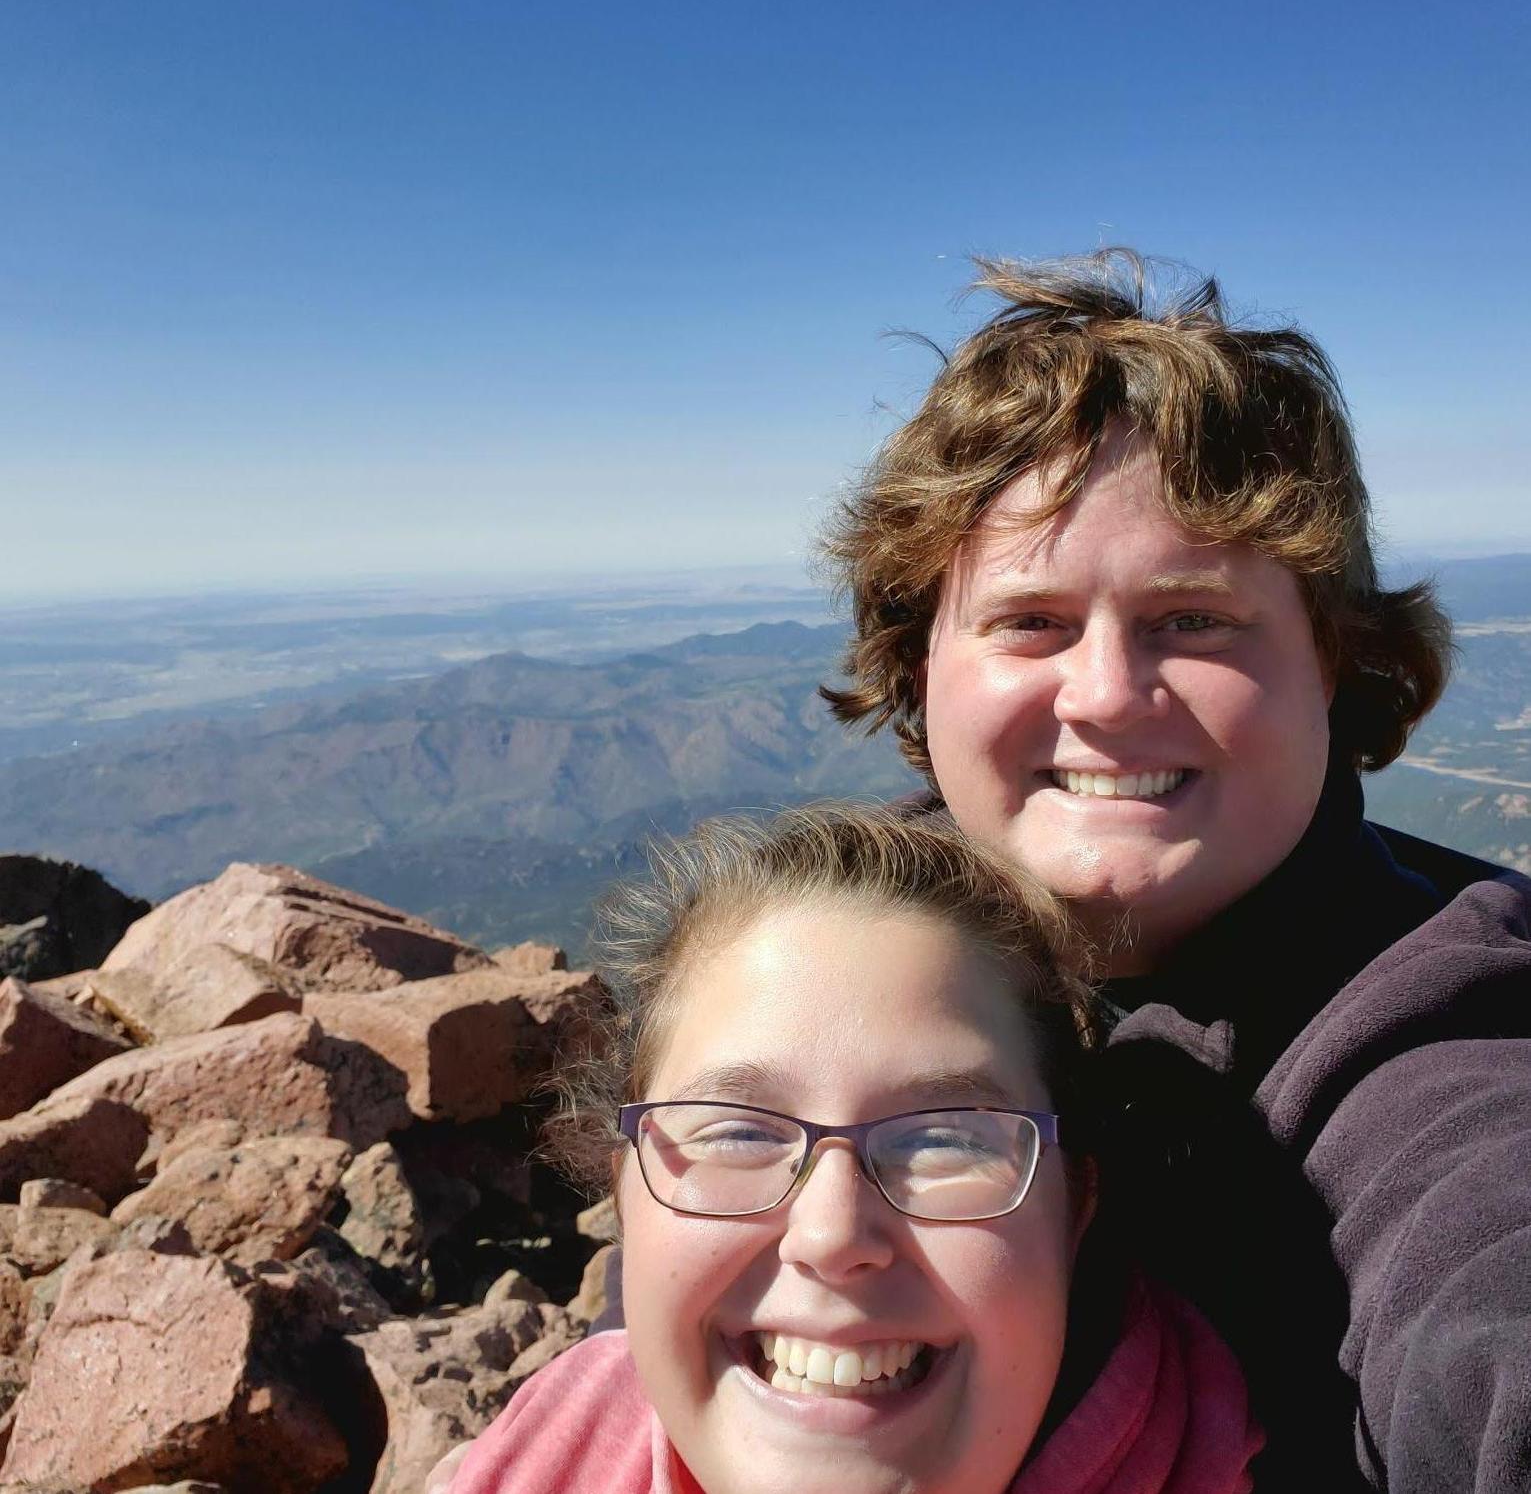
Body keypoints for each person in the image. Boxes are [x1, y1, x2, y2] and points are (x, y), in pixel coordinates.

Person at [819, 250, 1531, 1491]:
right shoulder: (829, 952)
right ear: (919, 668)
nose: (1103, 696)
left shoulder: (1439, 1043)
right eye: (1029, 621)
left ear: (1334, 664)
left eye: (1193, 619)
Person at [446, 803, 1260, 1493]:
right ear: (627, 1190)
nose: (832, 1235)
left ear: (1074, 1209)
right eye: (736, 1130)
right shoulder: (540, 1448)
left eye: (945, 1138)